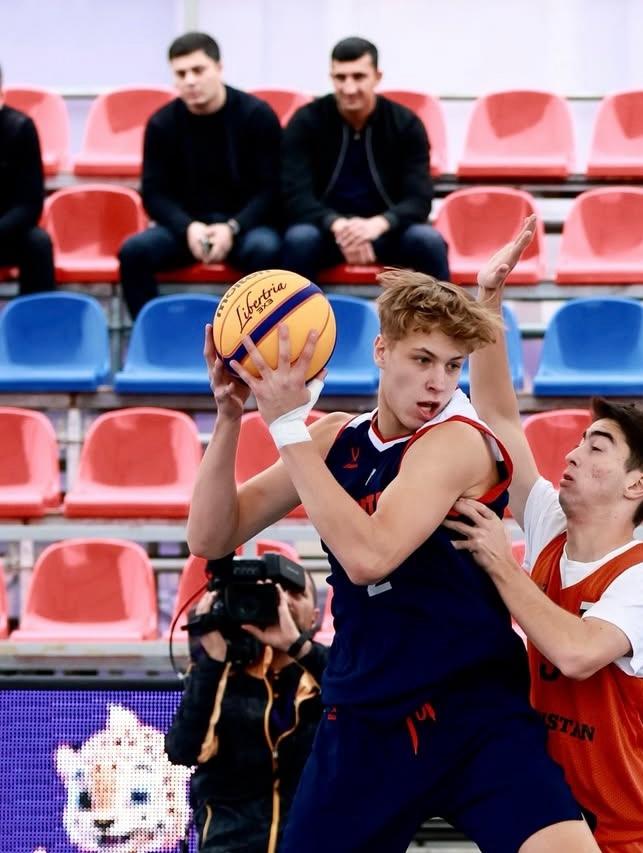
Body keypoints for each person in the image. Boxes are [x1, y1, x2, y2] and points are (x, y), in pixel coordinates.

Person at [185, 270, 598, 853]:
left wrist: (286, 426)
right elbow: (210, 535)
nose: (437, 382)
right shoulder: (332, 439)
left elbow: (369, 557)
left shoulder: (458, 441)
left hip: (472, 712)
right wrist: (230, 416)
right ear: (381, 351)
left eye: (452, 366)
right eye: (422, 359)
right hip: (367, 716)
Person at [442, 216, 643, 853]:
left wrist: (502, 566)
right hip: (546, 825)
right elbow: (499, 418)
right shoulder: (553, 524)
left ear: (637, 485)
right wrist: (488, 302)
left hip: (627, 834)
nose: (575, 452)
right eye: (581, 440)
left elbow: (576, 653)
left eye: (598, 446)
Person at [117, 31, 282, 319]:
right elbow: (154, 193)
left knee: (265, 249)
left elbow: (271, 189)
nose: (190, 80)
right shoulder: (162, 124)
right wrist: (188, 227)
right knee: (133, 252)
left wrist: (233, 227)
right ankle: (154, 335)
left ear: (219, 68)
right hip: (187, 229)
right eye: (181, 73)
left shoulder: (256, 115)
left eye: (198, 70)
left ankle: (252, 337)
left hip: (244, 227)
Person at [164, 571, 327, 853]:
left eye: (295, 592)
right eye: (273, 591)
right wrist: (212, 661)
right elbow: (182, 751)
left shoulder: (331, 670)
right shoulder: (221, 671)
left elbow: (366, 702)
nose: (282, 600)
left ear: (314, 617)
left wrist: (298, 647)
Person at [279, 36, 449, 283]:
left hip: (386, 231)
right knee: (299, 240)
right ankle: (295, 310)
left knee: (428, 241)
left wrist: (378, 224)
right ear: (331, 77)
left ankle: (445, 311)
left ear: (377, 77)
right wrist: (337, 225)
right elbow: (296, 196)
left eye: (358, 77)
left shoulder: (405, 124)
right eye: (341, 77)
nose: (349, 88)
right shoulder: (306, 122)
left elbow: (418, 199)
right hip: (327, 231)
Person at [0, 62, 55, 296]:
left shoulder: (20, 128)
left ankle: (36, 317)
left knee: (37, 242)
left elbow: (29, 204)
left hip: (6, 230)